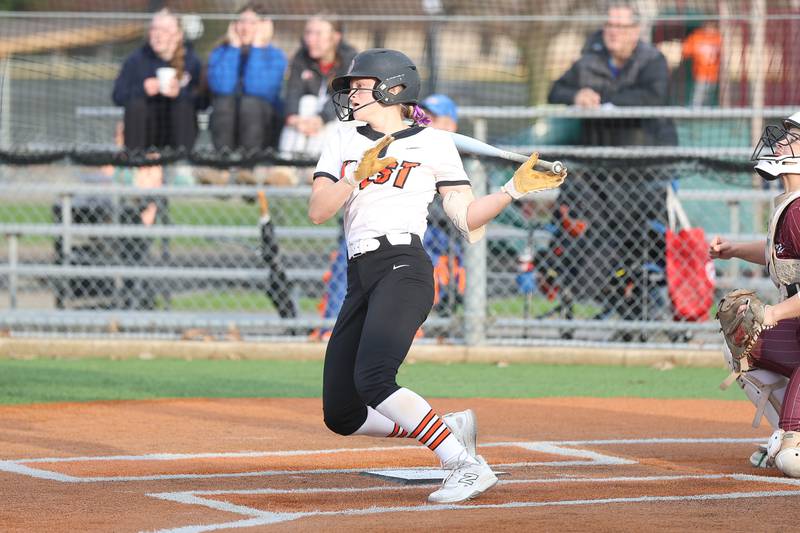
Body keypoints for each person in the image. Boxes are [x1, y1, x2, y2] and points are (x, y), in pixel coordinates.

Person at [308, 48, 566, 503]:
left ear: (394, 90)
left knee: (374, 379)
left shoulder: (434, 144)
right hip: (360, 275)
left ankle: (463, 464)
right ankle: (445, 428)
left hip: (403, 268)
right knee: (342, 413)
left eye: (362, 86)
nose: (352, 94)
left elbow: (466, 218)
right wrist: (354, 178)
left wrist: (511, 190)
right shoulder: (343, 137)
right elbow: (317, 211)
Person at [710, 111, 800, 478]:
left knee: (792, 462)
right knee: (742, 338)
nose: (781, 141)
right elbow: (777, 253)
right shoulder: (792, 205)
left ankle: (793, 438)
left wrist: (774, 313)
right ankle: (788, 431)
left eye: (793, 137)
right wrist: (733, 250)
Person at [547, 2, 676, 146]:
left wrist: (600, 99)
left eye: (620, 26)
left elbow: (654, 96)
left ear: (635, 31)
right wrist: (576, 96)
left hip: (649, 149)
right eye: (609, 25)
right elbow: (555, 91)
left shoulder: (653, 60)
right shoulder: (589, 60)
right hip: (597, 151)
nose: (613, 32)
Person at [205, 2, 287, 185]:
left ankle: (248, 168)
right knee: (223, 102)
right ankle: (222, 167)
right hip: (227, 123)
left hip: (262, 124)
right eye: (241, 21)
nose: (245, 27)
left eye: (252, 22)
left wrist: (257, 47)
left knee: (250, 103)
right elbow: (221, 87)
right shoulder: (221, 52)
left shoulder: (275, 56)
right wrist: (233, 48)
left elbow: (257, 89)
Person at [112, 8, 202, 153]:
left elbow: (204, 102)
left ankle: (182, 159)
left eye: (165, 30)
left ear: (178, 35)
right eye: (154, 29)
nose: (158, 35)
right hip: (146, 130)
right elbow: (118, 96)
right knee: (136, 103)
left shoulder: (192, 61)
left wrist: (180, 93)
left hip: (178, 130)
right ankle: (135, 158)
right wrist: (143, 89)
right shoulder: (136, 60)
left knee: (183, 104)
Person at [279, 14, 357, 158]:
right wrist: (293, 118)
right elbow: (293, 90)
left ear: (336, 37)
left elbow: (343, 95)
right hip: (307, 115)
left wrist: (321, 119)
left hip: (332, 116)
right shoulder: (301, 57)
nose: (310, 39)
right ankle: (286, 161)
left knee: (341, 114)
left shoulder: (350, 59)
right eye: (308, 33)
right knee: (307, 102)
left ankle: (318, 162)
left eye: (318, 34)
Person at [681, 20, 721, 107]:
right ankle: (695, 112)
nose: (711, 30)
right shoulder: (696, 37)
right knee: (698, 98)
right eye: (709, 27)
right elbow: (685, 51)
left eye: (713, 27)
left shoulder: (718, 38)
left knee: (709, 99)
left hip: (714, 75)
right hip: (700, 74)